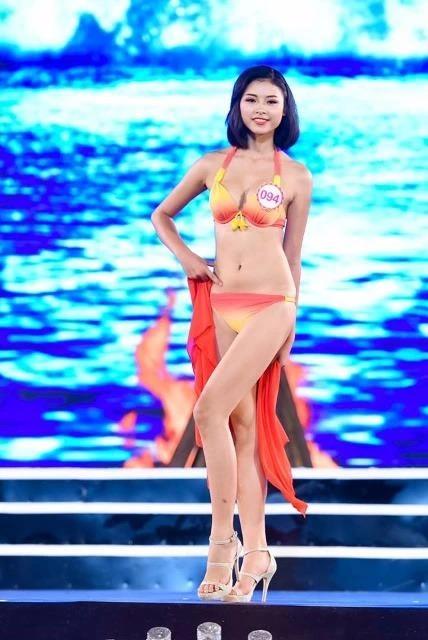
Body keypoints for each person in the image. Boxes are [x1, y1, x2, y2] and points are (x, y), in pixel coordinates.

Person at [151, 65, 312, 603]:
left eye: (271, 101)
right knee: (241, 430)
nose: (260, 109)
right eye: (251, 99)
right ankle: (258, 551)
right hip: (222, 303)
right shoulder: (210, 166)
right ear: (237, 106)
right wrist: (189, 259)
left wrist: (291, 321)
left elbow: (294, 254)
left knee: (207, 411)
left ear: (285, 110)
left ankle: (222, 544)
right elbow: (162, 216)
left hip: (272, 304)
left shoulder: (295, 176)